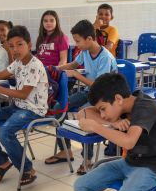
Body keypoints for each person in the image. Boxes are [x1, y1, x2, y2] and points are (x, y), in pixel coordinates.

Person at [0, 25, 49, 187]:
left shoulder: (35, 65)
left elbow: (23, 94)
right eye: (11, 46)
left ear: (29, 44)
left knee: (5, 133)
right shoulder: (18, 62)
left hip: (33, 110)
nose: (15, 50)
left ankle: (27, 169)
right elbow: (1, 74)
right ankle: (2, 162)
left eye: (19, 44)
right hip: (18, 107)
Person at [46, 19, 118, 173]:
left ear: (90, 39)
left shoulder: (105, 57)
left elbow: (98, 85)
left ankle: (88, 159)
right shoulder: (85, 51)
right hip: (90, 93)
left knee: (85, 115)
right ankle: (66, 150)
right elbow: (73, 65)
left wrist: (76, 75)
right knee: (59, 106)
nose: (76, 45)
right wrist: (54, 69)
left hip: (104, 97)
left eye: (78, 41)